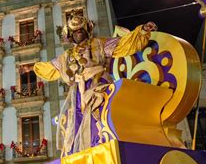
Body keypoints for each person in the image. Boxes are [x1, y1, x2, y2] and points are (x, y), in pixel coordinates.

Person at [34, 15, 157, 155]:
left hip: (99, 85)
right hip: (78, 93)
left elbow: (123, 44)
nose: (79, 32)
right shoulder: (66, 56)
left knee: (97, 116)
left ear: (87, 30)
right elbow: (50, 68)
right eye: (75, 31)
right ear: (70, 36)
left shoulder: (99, 43)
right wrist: (34, 67)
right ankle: (80, 152)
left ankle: (100, 145)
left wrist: (142, 31)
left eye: (81, 29)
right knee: (76, 120)